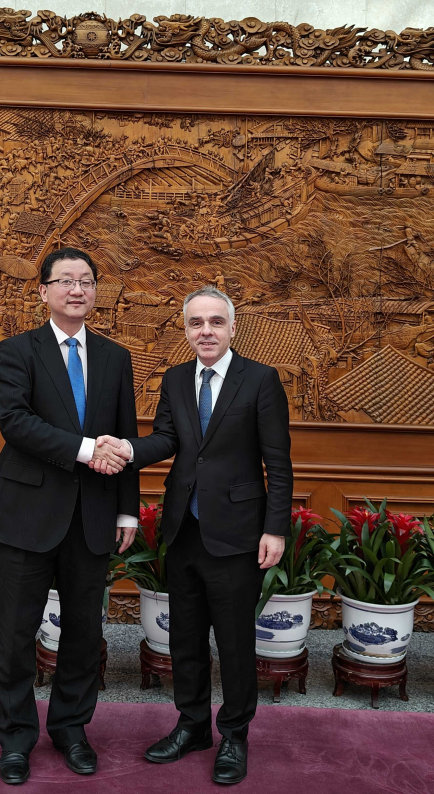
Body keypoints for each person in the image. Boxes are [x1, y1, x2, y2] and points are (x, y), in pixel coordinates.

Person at [92, 285, 293, 786]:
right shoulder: (177, 378)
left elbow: (279, 464)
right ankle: (193, 726)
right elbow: (167, 439)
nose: (206, 331)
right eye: (196, 323)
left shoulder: (261, 380)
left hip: (238, 534)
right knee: (184, 638)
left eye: (215, 322)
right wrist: (127, 449)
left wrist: (275, 528)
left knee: (235, 642)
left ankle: (235, 735)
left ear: (232, 328)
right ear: (185, 330)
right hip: (184, 530)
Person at [0, 247, 139, 785]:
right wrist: (87, 450)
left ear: (95, 292)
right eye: (65, 280)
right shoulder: (18, 350)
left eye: (86, 280)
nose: (76, 289)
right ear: (43, 291)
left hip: (92, 516)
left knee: (84, 635)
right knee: (16, 636)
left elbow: (127, 437)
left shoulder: (115, 357)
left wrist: (128, 510)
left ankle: (71, 729)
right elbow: (14, 421)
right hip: (25, 516)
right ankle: (16, 738)